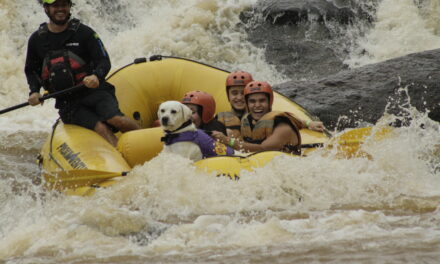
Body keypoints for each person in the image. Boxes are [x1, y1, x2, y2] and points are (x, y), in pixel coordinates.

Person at [25, 0, 140, 147]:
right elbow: (31, 70)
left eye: (64, 5)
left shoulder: (85, 33)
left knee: (117, 120)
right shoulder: (36, 39)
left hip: (95, 92)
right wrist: (34, 92)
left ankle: (147, 143)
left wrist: (96, 76)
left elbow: (104, 61)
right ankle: (124, 162)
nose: (60, 9)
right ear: (46, 9)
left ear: (69, 7)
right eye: (55, 6)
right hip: (67, 103)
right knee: (100, 128)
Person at [212, 81, 325, 154]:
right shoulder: (249, 119)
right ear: (247, 104)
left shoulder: (283, 127)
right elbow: (298, 121)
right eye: (252, 101)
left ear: (269, 102)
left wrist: (228, 141)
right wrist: (309, 123)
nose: (257, 105)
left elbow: (263, 149)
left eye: (262, 101)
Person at [216, 70, 253, 139]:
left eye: (243, 93)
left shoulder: (259, 118)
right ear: (228, 96)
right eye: (234, 93)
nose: (239, 97)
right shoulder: (219, 119)